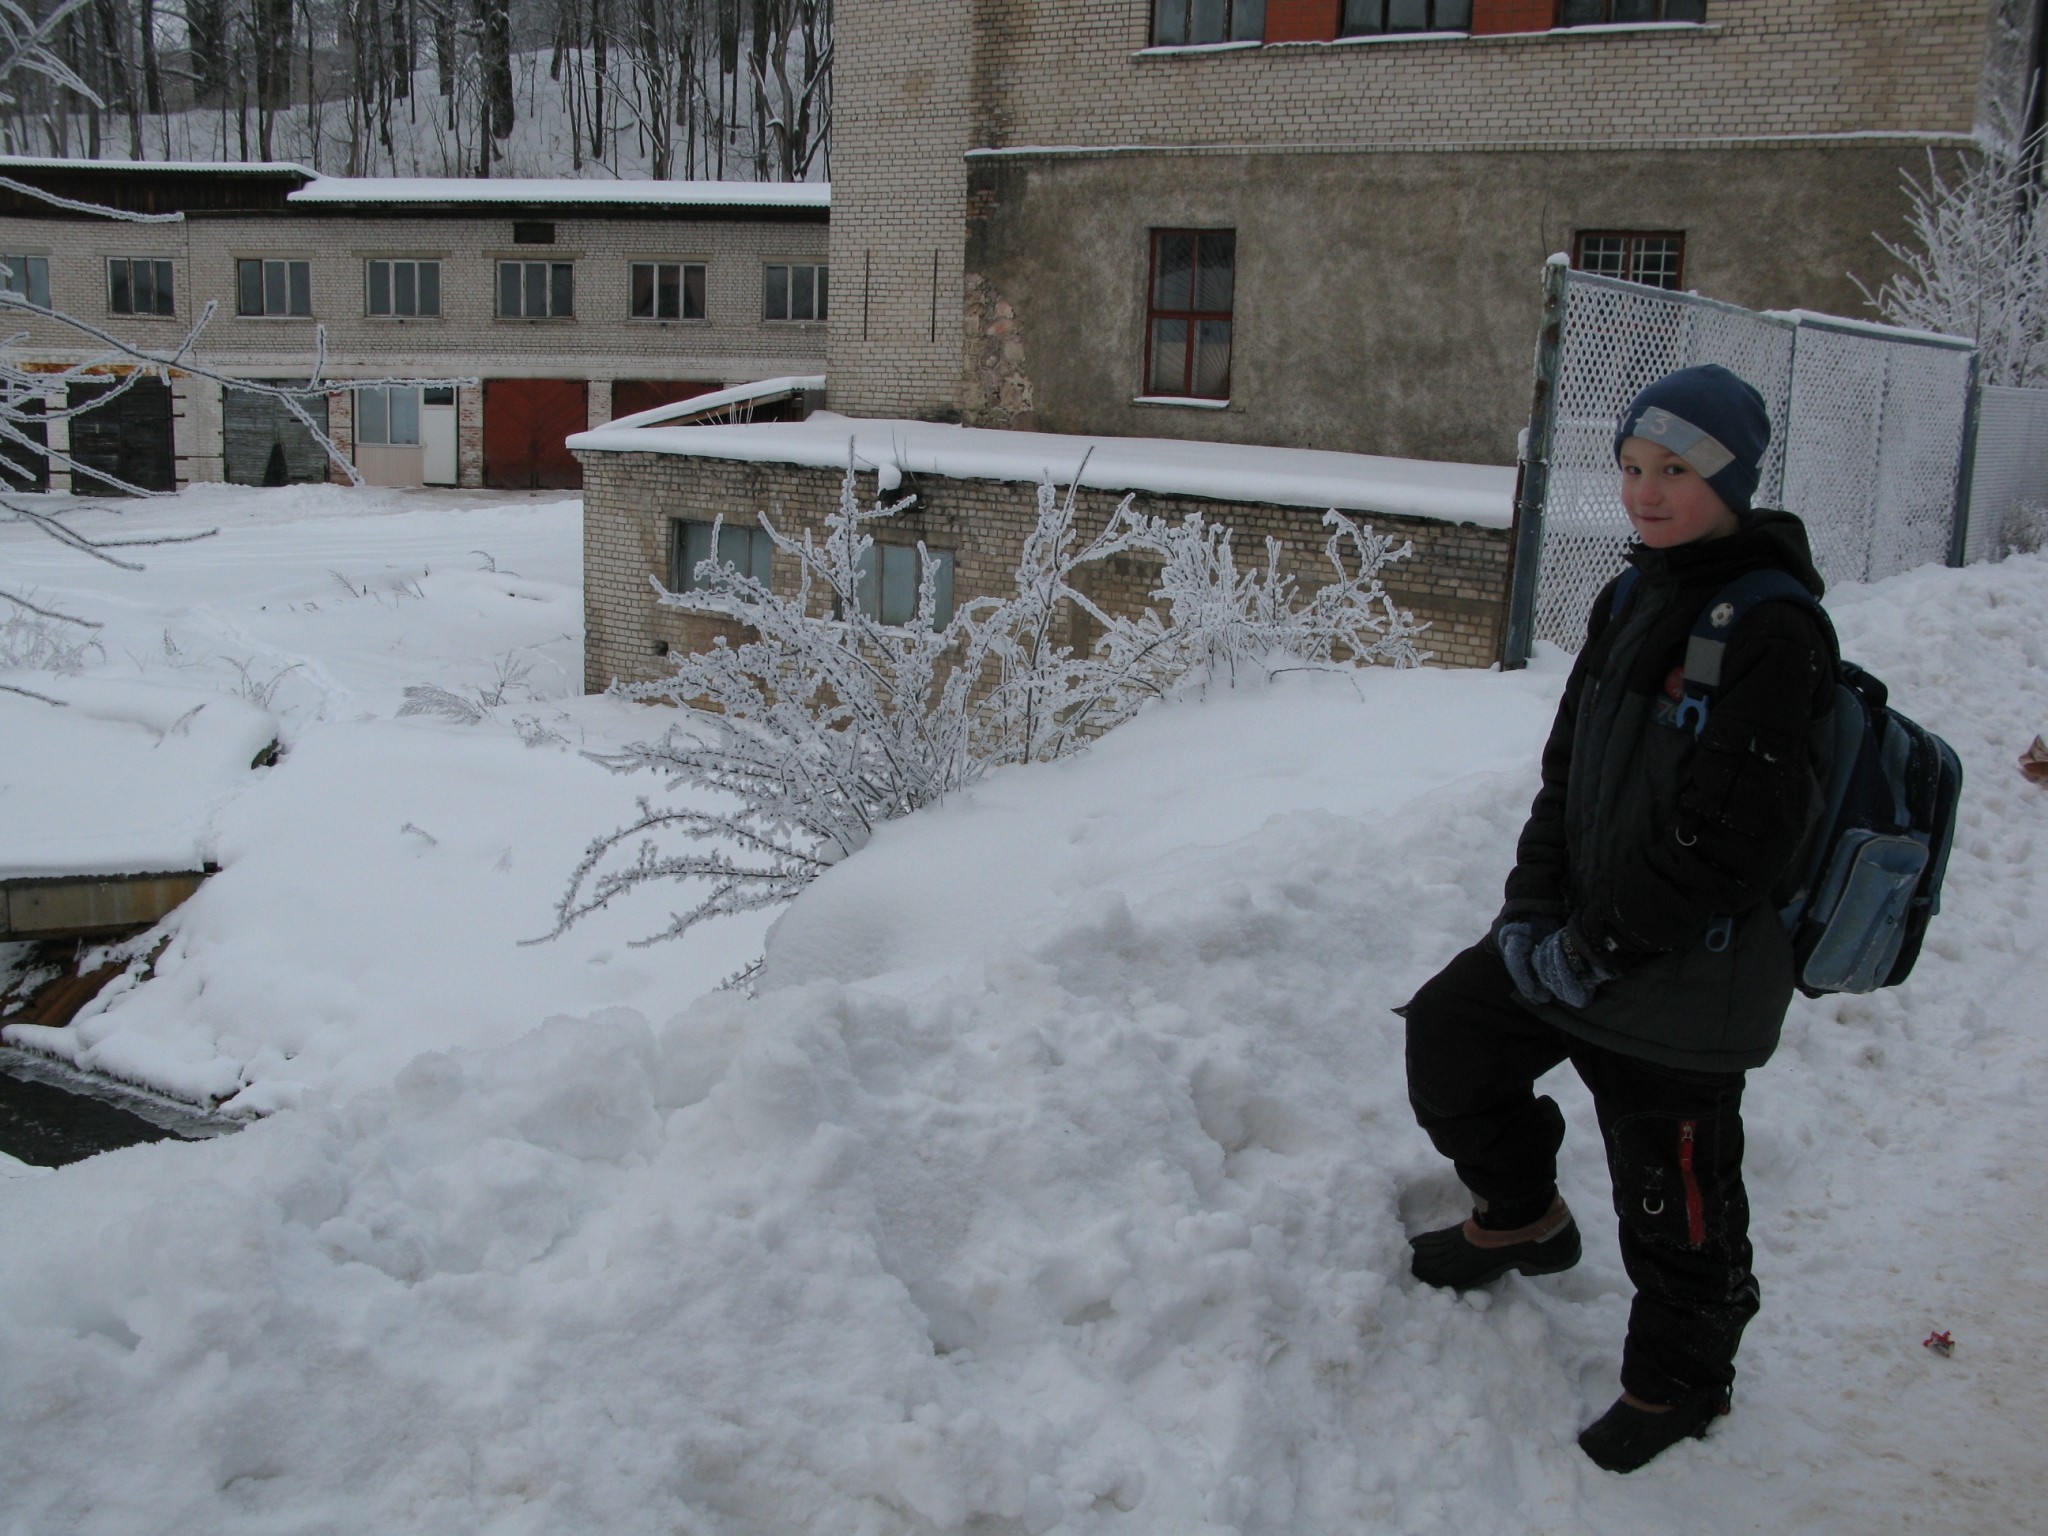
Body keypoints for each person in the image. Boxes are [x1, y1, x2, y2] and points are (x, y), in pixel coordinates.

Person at [1400, 364, 1837, 1474]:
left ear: (1730, 480)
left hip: (1691, 973)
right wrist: (1530, 913)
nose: (1644, 493)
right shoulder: (1630, 594)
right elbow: (1568, 780)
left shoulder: (1773, 629)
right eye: (1632, 468)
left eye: (1675, 472)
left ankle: (1681, 1380)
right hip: (1579, 937)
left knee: (1673, 1196)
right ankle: (1523, 1213)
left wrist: (1594, 951)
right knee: (1452, 1032)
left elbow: (1731, 842)